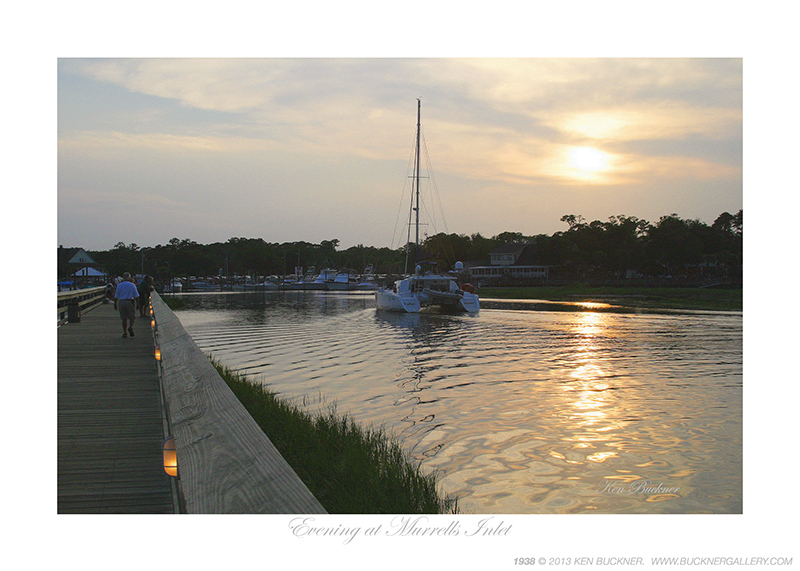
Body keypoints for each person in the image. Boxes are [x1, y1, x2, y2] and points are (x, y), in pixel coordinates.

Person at [114, 272, 140, 338]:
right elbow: (136, 296)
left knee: (124, 318)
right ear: (129, 277)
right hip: (129, 301)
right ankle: (130, 327)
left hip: (121, 302)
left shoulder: (119, 285)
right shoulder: (132, 285)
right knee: (132, 317)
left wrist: (115, 304)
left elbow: (116, 296)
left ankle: (125, 332)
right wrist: (138, 304)